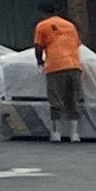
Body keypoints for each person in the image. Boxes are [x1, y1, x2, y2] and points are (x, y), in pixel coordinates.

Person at [33, 8, 88, 142]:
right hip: (74, 65)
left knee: (55, 100)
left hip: (55, 66)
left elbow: (38, 47)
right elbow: (77, 44)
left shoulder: (42, 25)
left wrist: (40, 62)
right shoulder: (70, 25)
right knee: (73, 99)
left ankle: (57, 133)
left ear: (43, 13)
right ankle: (74, 134)